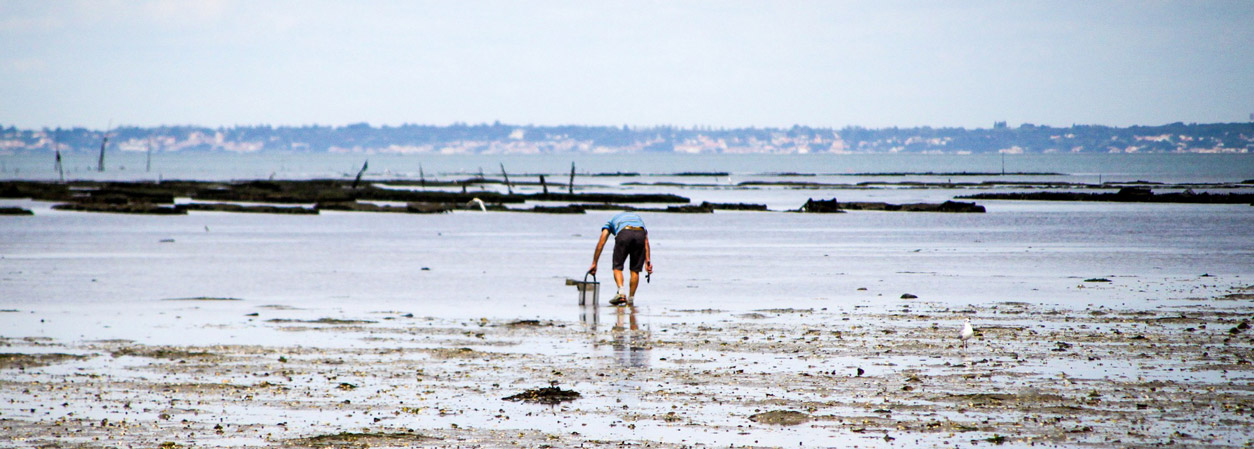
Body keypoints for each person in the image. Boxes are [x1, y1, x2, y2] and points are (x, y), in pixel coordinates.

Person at [588, 211, 652, 305]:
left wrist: (594, 262)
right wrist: (648, 261)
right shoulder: (638, 220)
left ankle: (621, 293)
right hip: (640, 233)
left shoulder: (610, 222)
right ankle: (631, 300)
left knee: (617, 267)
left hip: (624, 233)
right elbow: (646, 241)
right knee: (635, 270)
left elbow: (601, 243)